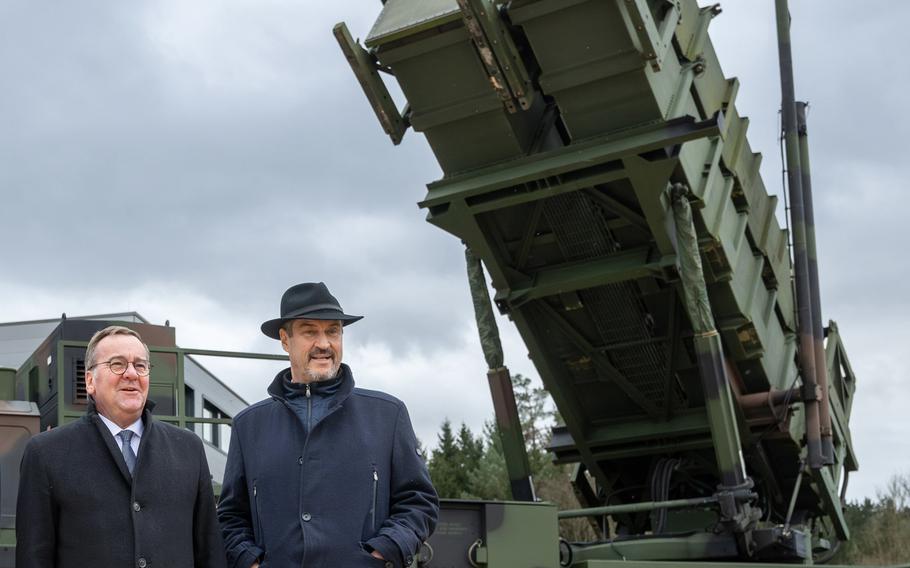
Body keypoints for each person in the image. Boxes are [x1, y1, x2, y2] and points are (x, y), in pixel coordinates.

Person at [218, 282, 438, 568]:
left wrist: (384, 551)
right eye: (310, 331)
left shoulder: (387, 414)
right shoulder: (249, 426)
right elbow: (230, 517)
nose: (323, 343)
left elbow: (419, 502)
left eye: (332, 331)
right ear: (285, 340)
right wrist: (251, 562)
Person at [16, 325, 226, 568]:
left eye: (140, 365)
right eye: (117, 364)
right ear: (90, 381)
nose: (131, 374)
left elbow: (210, 552)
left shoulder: (188, 449)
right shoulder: (46, 453)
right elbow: (34, 557)